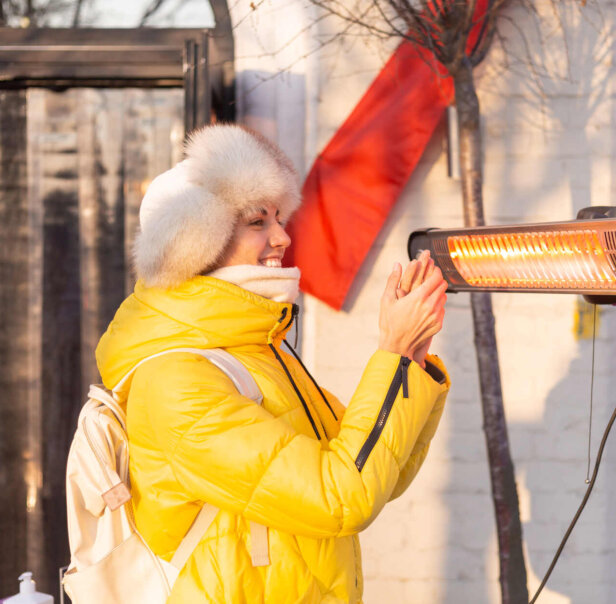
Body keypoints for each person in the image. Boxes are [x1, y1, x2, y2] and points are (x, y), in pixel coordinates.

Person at [95, 124, 450, 603]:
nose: (282, 237)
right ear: (196, 243)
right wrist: (392, 353)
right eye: (257, 222)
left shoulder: (259, 352)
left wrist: (410, 358)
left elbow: (378, 475)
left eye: (279, 218)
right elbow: (341, 496)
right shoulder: (178, 381)